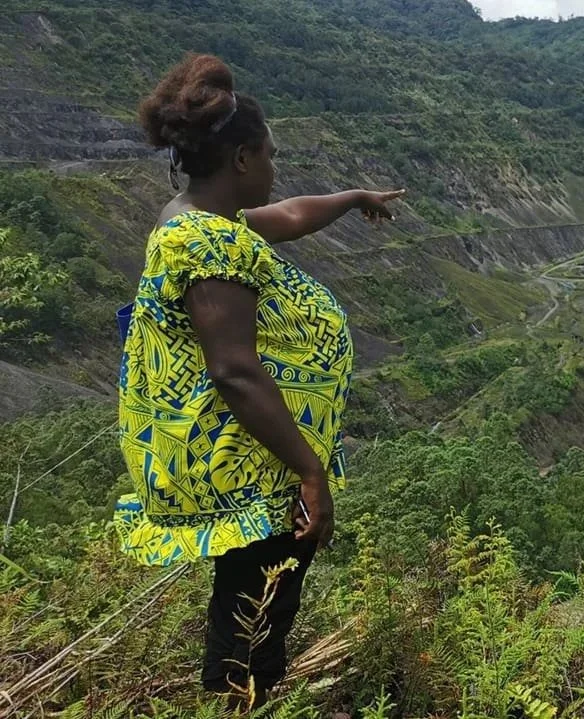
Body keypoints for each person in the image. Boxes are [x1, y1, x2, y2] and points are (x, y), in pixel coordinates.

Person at [113, 53, 404, 709]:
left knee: (257, 595)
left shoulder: (204, 220)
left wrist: (355, 198)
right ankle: (242, 700)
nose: (276, 169)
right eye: (269, 155)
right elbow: (235, 371)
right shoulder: (208, 245)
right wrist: (310, 471)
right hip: (250, 462)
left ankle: (246, 693)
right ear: (242, 159)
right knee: (255, 608)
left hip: (255, 458)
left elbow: (295, 213)